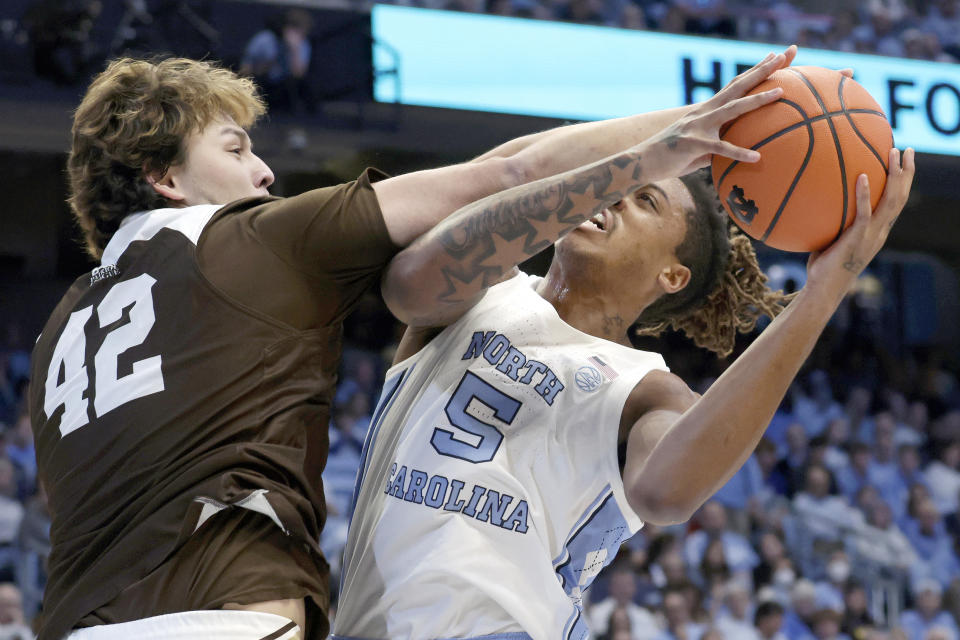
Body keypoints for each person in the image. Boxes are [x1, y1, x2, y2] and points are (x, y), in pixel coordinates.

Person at [29, 49, 794, 640]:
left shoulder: (55, 338)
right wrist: (682, 134)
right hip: (224, 610)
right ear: (165, 177)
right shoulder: (254, 243)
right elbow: (508, 171)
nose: (263, 170)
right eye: (234, 150)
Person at [333, 61, 915, 640]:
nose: (614, 194)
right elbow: (419, 272)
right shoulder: (480, 290)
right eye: (618, 181)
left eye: (647, 202)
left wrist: (825, 291)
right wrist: (673, 135)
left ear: (673, 275)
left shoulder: (645, 388)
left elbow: (667, 492)